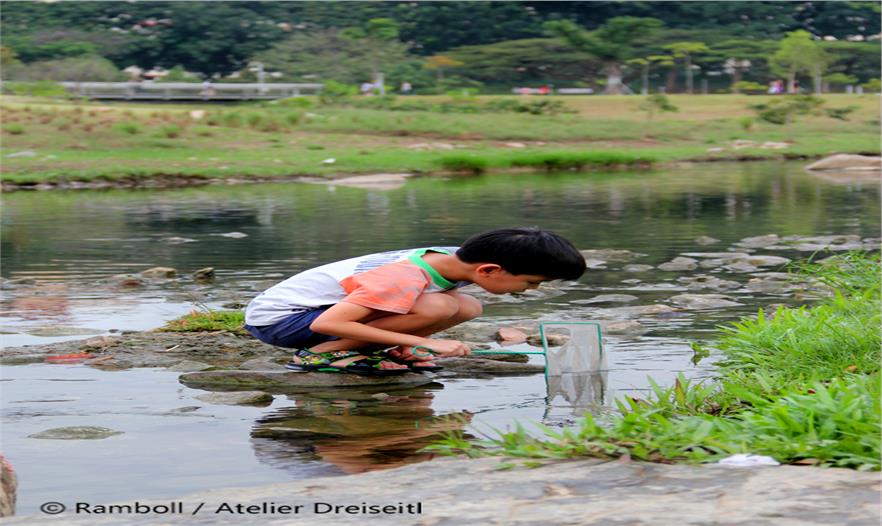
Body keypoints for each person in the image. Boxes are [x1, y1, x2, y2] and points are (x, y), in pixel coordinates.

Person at [244, 227, 586, 376]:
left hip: (324, 313)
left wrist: (408, 342)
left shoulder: (454, 260)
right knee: (440, 306)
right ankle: (319, 354)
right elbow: (328, 323)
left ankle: (369, 350)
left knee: (468, 305)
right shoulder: (403, 275)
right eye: (531, 282)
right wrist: (427, 343)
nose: (531, 290)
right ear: (489, 270)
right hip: (282, 321)